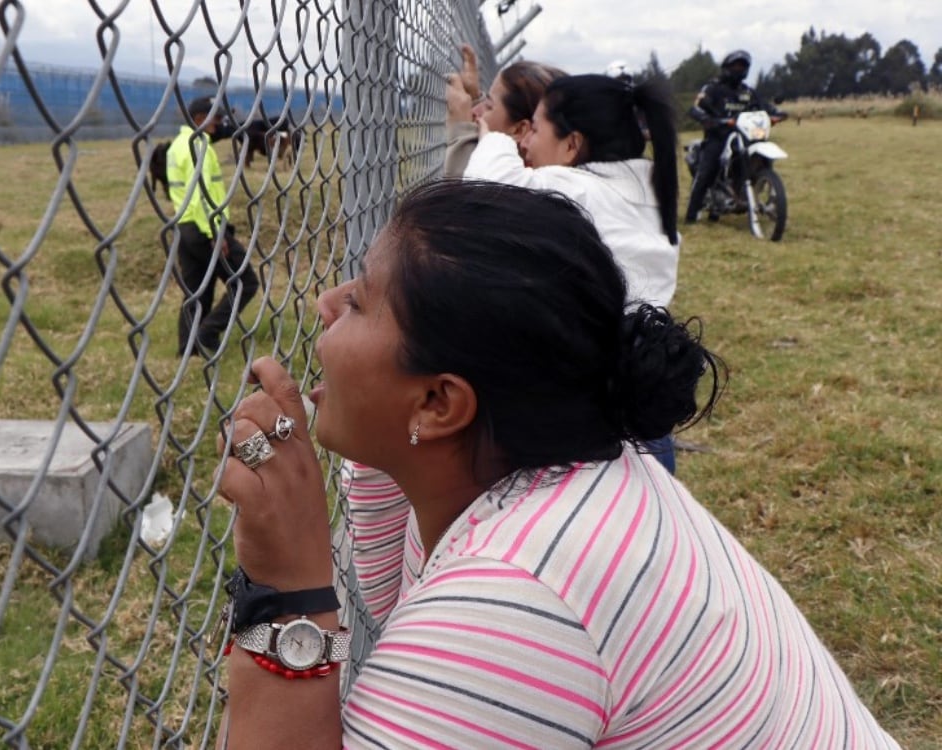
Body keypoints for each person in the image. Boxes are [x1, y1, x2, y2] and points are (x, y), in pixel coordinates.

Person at [214, 180, 900, 749]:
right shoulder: (535, 463)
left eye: (360, 301)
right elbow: (390, 599)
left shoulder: (515, 594)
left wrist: (288, 587)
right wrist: (383, 445)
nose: (325, 303)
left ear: (440, 402)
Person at [463, 73, 682, 471]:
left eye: (535, 129)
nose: (526, 142)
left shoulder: (576, 188)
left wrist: (494, 136)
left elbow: (486, 185)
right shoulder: (647, 188)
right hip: (645, 389)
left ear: (572, 145)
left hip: (591, 401)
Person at [166, 95, 260, 357]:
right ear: (199, 118)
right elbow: (201, 194)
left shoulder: (178, 145)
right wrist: (216, 233)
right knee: (245, 282)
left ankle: (188, 347)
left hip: (185, 225)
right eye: (215, 117)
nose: (219, 123)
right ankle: (208, 332)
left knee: (198, 289)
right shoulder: (198, 147)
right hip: (205, 227)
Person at [686, 50, 787, 224]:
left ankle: (749, 191)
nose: (739, 69)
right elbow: (695, 108)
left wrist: (777, 114)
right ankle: (691, 215)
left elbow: (765, 107)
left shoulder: (748, 92)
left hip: (746, 136)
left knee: (760, 158)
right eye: (736, 65)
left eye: (742, 66)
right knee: (707, 170)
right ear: (726, 67)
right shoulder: (713, 88)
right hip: (719, 136)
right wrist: (708, 119)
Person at [443, 43, 565, 176]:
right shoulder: (548, 176)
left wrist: (461, 131)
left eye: (489, 106)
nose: (474, 111)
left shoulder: (523, 183)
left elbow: (464, 189)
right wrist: (473, 97)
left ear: (519, 130)